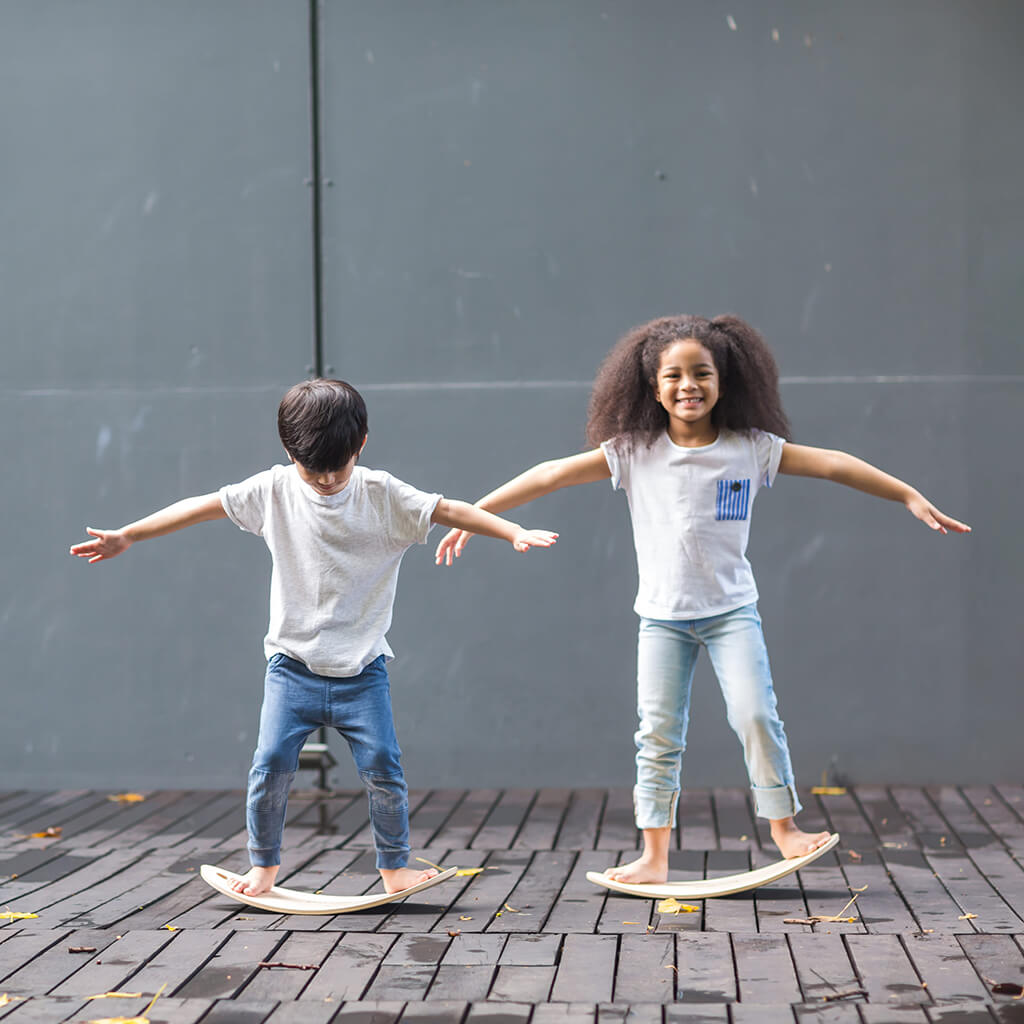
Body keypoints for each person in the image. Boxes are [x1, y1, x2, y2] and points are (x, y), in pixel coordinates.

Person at [435, 314, 970, 884]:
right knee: (658, 734)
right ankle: (654, 856)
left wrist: (907, 494)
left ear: (723, 381)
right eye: (674, 375)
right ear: (652, 385)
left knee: (756, 716)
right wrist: (478, 512)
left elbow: (834, 464)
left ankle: (785, 829)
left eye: (701, 373)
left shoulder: (752, 449)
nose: (688, 384)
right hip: (662, 621)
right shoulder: (631, 452)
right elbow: (550, 476)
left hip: (731, 614)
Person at [71, 378, 558, 897]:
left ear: (361, 444)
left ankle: (395, 869)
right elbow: (199, 506)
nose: (326, 481)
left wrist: (510, 531)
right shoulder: (274, 490)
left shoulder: (383, 494)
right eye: (313, 471)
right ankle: (262, 869)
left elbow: (450, 509)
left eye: (337, 468)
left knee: (383, 769)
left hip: (362, 672)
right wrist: (130, 534)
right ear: (288, 451)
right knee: (270, 768)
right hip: (291, 668)